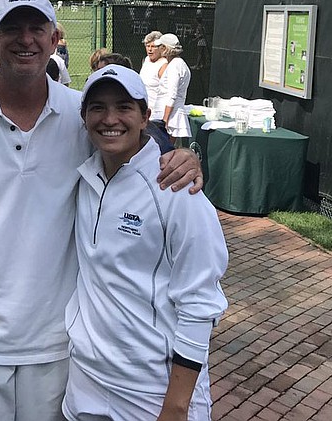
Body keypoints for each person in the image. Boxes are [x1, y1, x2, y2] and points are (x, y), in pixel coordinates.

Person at [0, 0, 202, 421]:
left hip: (59, 342)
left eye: (37, 28)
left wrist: (185, 157)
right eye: (12, 29)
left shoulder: (82, 117)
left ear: (55, 40)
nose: (26, 39)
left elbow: (134, 147)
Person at [63, 64, 228, 421]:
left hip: (152, 392)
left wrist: (176, 406)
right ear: (83, 117)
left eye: (124, 107)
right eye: (98, 108)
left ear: (145, 117)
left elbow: (200, 304)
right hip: (86, 382)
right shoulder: (84, 175)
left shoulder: (179, 191)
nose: (110, 119)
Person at [154, 33, 192, 142]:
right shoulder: (177, 64)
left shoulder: (175, 66)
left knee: (164, 151)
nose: (157, 49)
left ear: (165, 48)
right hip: (169, 115)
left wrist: (165, 120)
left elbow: (172, 95)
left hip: (169, 117)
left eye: (160, 46)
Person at [140, 31, 170, 136]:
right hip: (143, 110)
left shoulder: (164, 64)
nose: (150, 49)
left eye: (153, 46)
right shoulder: (146, 60)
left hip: (156, 115)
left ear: (161, 48)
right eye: (147, 46)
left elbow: (168, 92)